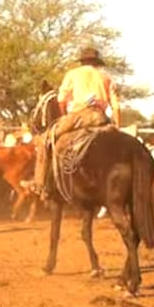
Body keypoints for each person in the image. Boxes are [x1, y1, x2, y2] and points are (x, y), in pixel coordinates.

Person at [29, 46, 121, 200]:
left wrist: (65, 116)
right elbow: (116, 106)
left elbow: (61, 100)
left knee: (44, 140)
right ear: (97, 62)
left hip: (79, 115)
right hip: (101, 117)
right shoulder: (106, 78)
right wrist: (117, 126)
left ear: (82, 61)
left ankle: (41, 184)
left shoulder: (73, 74)